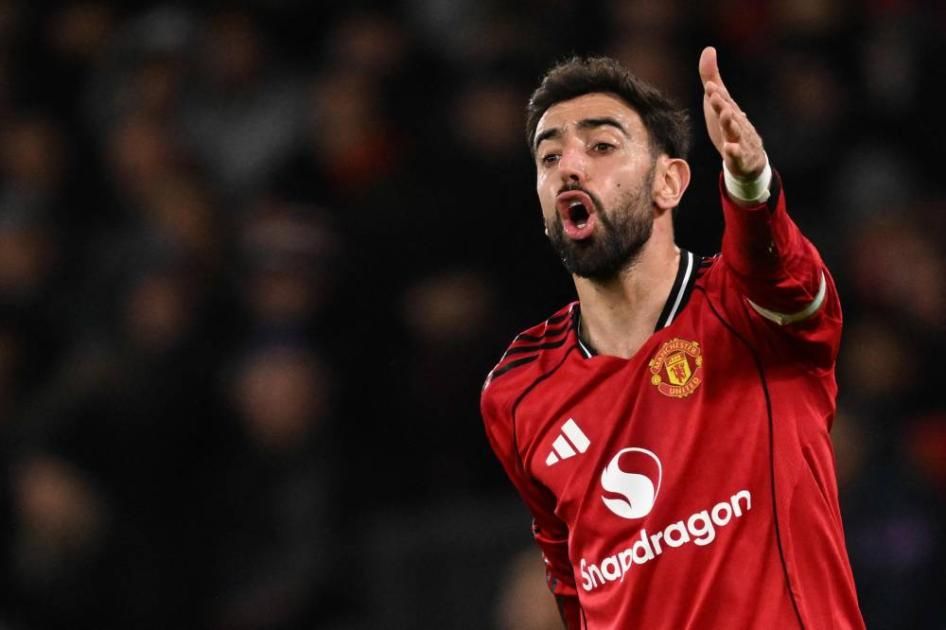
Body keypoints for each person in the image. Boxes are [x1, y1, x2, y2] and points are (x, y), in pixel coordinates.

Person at [480, 47, 865, 629]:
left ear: (669, 181)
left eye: (601, 146)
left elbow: (779, 272)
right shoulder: (516, 392)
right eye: (549, 156)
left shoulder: (749, 310)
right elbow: (570, 578)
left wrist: (749, 183)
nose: (569, 167)